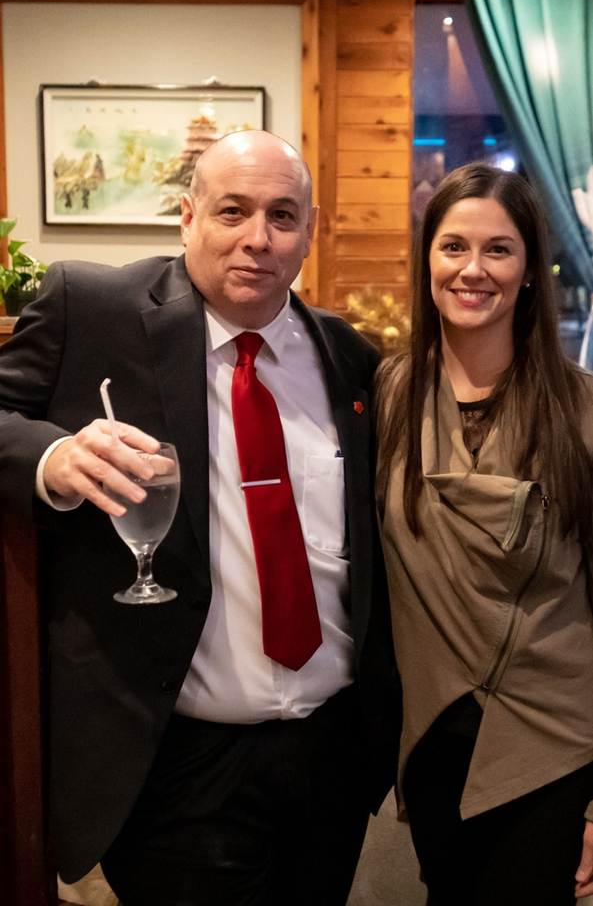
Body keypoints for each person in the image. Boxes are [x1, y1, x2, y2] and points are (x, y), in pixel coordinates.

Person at [0, 130, 400, 906]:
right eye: (233, 211)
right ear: (187, 218)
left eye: (283, 216)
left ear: (310, 233)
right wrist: (51, 459)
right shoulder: (92, 309)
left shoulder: (349, 357)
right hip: (174, 755)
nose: (258, 238)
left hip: (330, 753)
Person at [375, 162, 593, 906]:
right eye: (453, 246)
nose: (473, 269)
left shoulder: (581, 411)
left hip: (555, 749)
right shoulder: (386, 395)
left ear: (530, 270)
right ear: (426, 260)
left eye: (498, 249)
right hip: (432, 737)